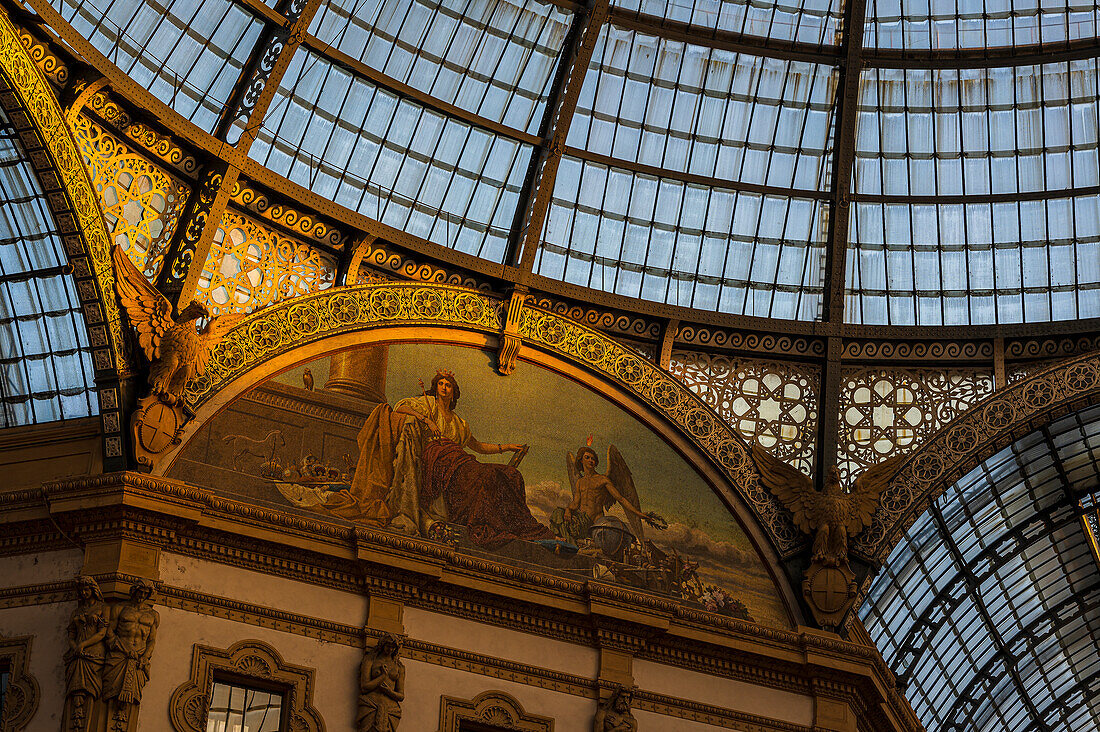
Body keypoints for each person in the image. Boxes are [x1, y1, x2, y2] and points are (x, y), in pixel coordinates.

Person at [333, 371, 552, 548]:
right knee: (487, 477)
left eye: (448, 385)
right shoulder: (426, 404)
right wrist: (425, 420)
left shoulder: (459, 422)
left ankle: (517, 525)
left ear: (454, 392)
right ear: (435, 388)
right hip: (438, 464)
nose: (444, 388)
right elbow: (400, 407)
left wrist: (506, 447)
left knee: (509, 474)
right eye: (441, 384)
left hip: (460, 462)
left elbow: (477, 446)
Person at [102, 580, 159, 730]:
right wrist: (120, 646)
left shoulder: (153, 615)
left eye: (145, 594)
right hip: (120, 655)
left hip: (138, 657)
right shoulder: (120, 608)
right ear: (134, 592)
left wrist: (145, 657)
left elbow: (152, 640)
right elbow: (110, 631)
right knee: (112, 691)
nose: (142, 596)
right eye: (140, 592)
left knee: (132, 695)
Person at [63, 576, 109, 732]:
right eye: (81, 590)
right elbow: (71, 633)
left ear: (93, 590)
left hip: (93, 652)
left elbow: (102, 633)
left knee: (91, 684)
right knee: (76, 684)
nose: (83, 592)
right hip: (77, 653)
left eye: (86, 589)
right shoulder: (76, 611)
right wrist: (75, 646)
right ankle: (77, 712)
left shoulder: (103, 608)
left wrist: (83, 644)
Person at [356, 633, 405, 731]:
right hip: (371, 704)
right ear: (382, 645)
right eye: (388, 646)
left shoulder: (399, 667)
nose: (390, 650)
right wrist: (382, 677)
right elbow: (364, 687)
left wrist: (388, 691)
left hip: (391, 709)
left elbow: (401, 696)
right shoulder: (370, 660)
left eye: (393, 648)